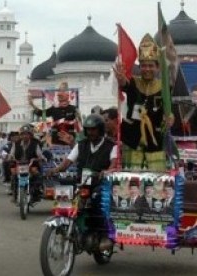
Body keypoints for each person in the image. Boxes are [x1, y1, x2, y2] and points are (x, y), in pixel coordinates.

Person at [48, 114, 117, 250]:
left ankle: (104, 234)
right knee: (65, 195)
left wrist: (107, 171)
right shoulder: (81, 145)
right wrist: (54, 170)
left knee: (98, 198)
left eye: (94, 129)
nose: (90, 132)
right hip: (82, 182)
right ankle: (70, 226)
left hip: (100, 184)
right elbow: (67, 162)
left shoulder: (111, 146)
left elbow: (114, 164)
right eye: (88, 129)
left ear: (101, 129)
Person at [114, 34, 168, 171]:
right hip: (132, 139)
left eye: (150, 65)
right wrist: (120, 78)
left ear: (157, 67)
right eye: (144, 65)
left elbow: (169, 111)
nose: (147, 69)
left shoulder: (165, 88)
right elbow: (124, 84)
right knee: (131, 180)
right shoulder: (134, 82)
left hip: (155, 140)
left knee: (158, 180)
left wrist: (170, 117)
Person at [9, 124, 43, 200]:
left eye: (27, 134)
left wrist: (38, 158)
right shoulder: (16, 143)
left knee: (35, 172)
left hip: (31, 164)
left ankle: (37, 191)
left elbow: (40, 155)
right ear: (20, 135)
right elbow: (11, 154)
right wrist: (10, 157)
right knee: (13, 172)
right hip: (18, 164)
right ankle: (14, 191)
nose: (25, 136)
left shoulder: (35, 144)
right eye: (23, 134)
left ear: (30, 135)